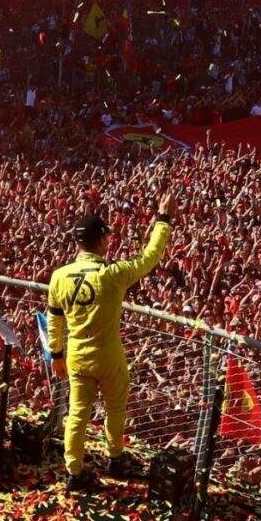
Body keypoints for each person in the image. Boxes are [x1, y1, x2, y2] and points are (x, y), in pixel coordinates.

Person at [46, 194, 176, 491]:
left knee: (77, 412)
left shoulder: (58, 276)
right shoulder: (113, 275)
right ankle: (115, 458)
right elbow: (150, 256)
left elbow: (54, 319)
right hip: (108, 355)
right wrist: (163, 220)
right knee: (115, 408)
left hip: (76, 355)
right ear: (102, 241)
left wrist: (55, 353)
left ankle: (74, 471)